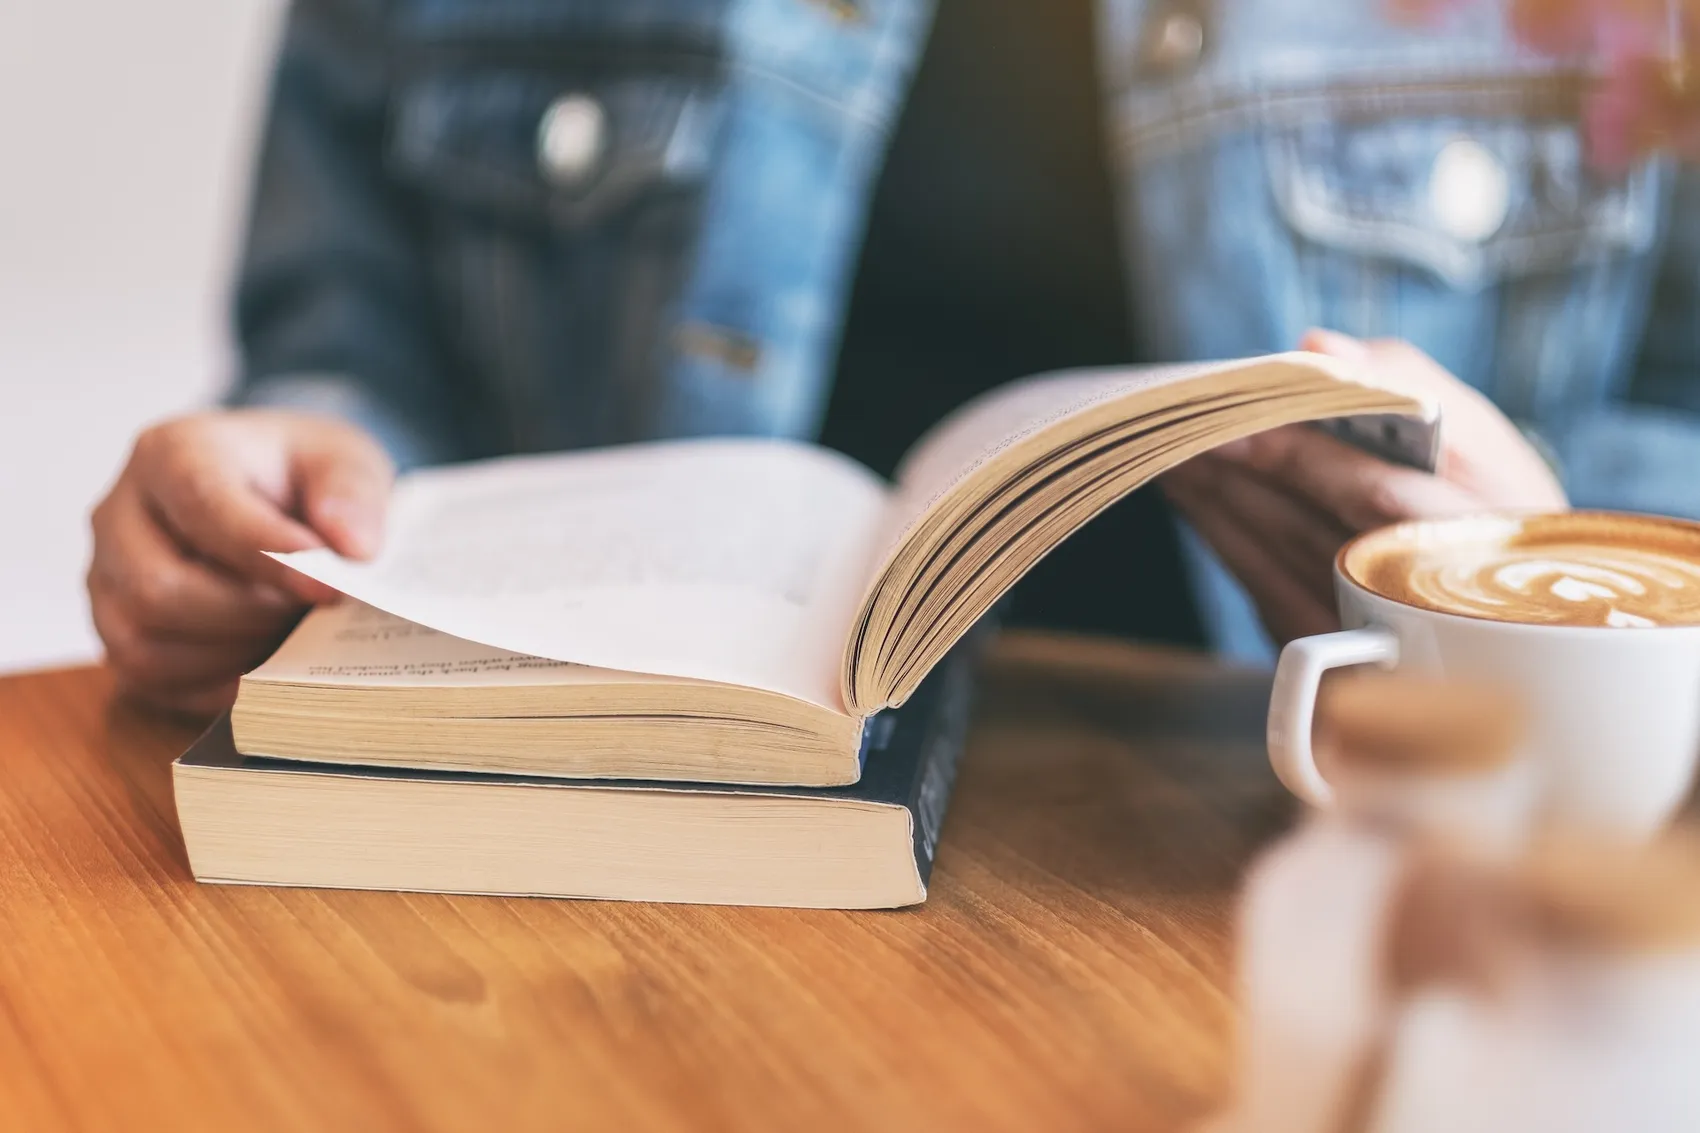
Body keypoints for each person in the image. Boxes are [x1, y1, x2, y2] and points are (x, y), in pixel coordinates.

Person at [93, 0, 1685, 717]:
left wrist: (1547, 588)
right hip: (605, 885)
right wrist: (277, 475)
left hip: (1325, 903)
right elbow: (347, 347)